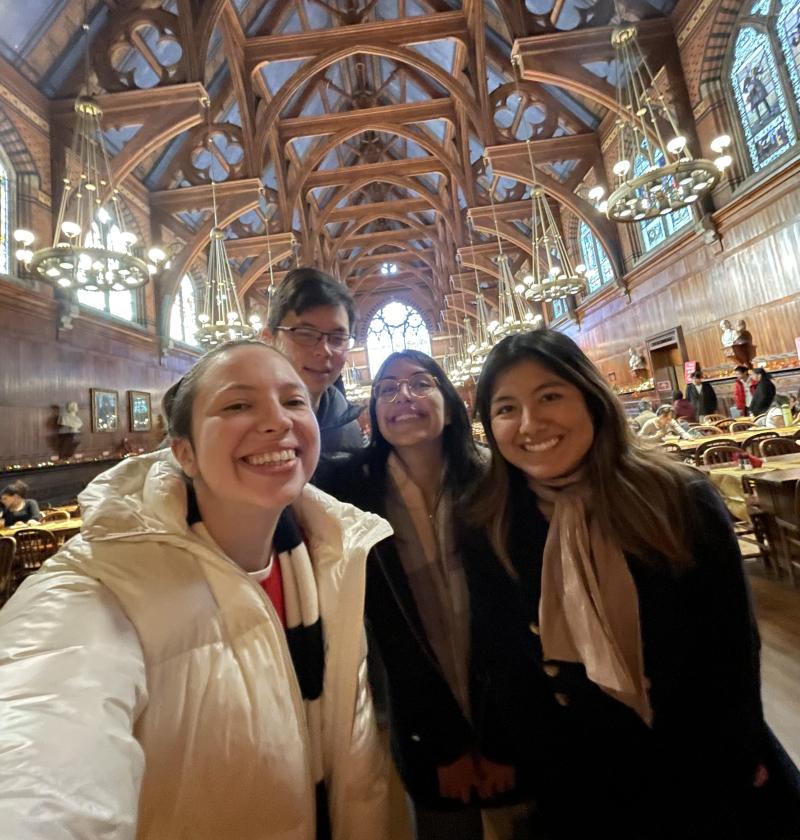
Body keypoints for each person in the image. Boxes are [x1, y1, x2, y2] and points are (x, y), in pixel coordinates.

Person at [0, 339, 406, 840]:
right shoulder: (98, 584)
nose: (278, 421)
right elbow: (36, 742)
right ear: (183, 452)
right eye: (238, 405)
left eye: (294, 401)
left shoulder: (331, 551)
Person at [464, 329, 800, 839]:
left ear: (591, 398)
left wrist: (735, 754)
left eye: (550, 396)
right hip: (578, 792)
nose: (529, 424)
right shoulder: (490, 526)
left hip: (703, 777)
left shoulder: (677, 500)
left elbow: (730, 646)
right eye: (506, 408)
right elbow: (504, 666)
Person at [315, 350, 534, 840]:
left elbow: (517, 625)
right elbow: (393, 638)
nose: (403, 397)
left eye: (420, 384)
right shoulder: (349, 491)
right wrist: (442, 745)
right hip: (425, 729)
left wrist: (500, 740)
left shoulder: (499, 482)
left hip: (517, 719)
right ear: (372, 413)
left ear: (452, 404)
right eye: (386, 389)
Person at [265, 267, 363, 454]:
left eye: (337, 338)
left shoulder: (348, 427)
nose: (324, 350)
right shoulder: (244, 425)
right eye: (306, 334)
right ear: (270, 340)